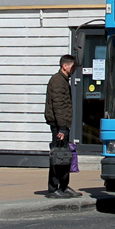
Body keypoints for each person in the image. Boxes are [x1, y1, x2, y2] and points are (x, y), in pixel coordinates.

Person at [44, 54, 80, 198]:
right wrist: (62, 128)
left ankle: (64, 186)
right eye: (73, 67)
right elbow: (59, 106)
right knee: (58, 157)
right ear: (65, 66)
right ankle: (53, 189)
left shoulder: (64, 80)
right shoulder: (58, 81)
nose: (74, 70)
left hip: (62, 125)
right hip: (59, 126)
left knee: (64, 157)